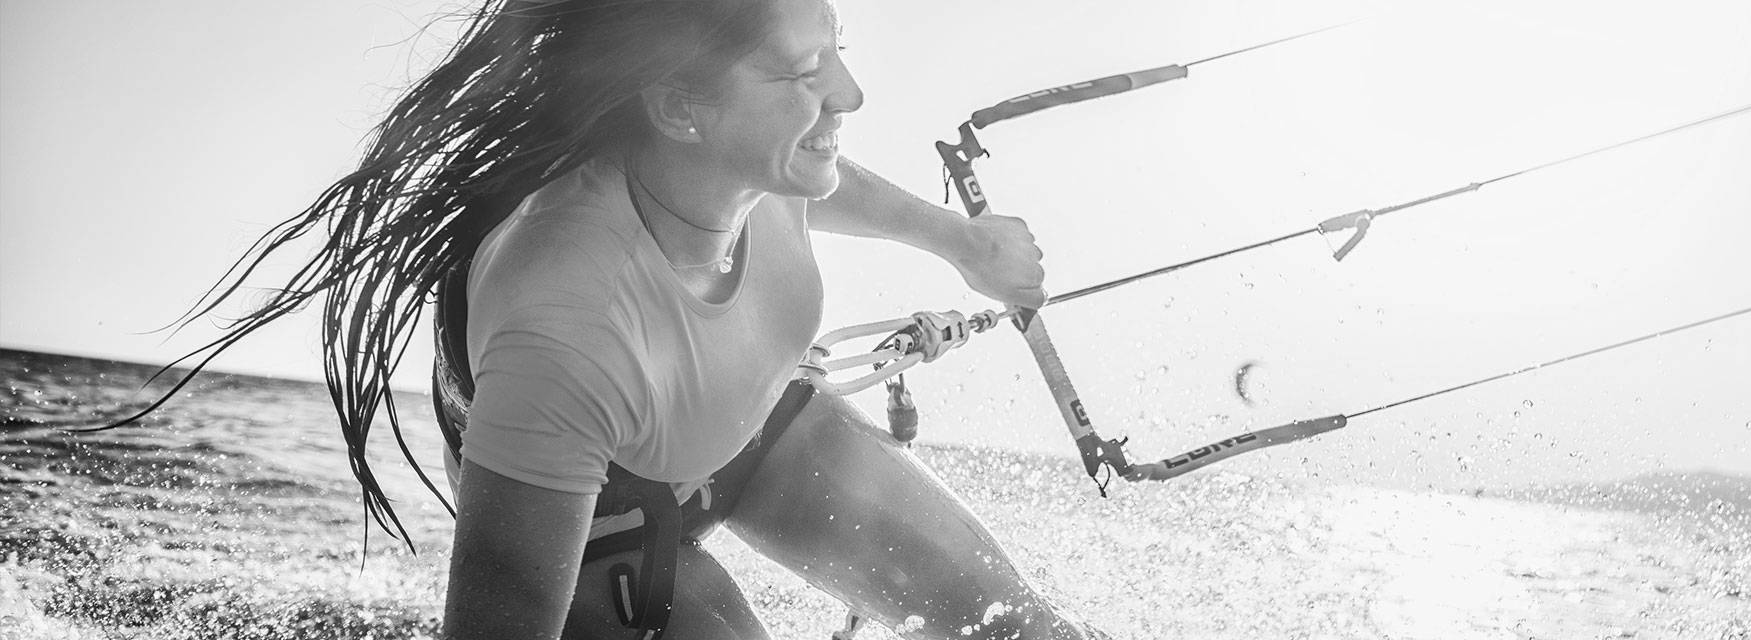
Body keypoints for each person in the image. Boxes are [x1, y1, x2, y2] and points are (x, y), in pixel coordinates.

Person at [111, 0, 1107, 638]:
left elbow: (810, 178)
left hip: (748, 421)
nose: (849, 92)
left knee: (1019, 629)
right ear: (680, 110)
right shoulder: (568, 321)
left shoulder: (755, 152)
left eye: (837, 47)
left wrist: (954, 239)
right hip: (600, 501)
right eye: (806, 74)